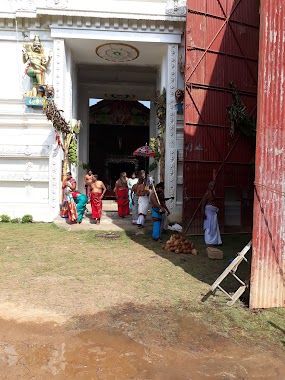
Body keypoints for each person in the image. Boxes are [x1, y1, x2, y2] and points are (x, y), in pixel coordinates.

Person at [201, 180, 222, 245]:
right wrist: (203, 212)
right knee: (209, 226)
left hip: (213, 213)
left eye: (214, 186)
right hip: (208, 212)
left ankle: (214, 241)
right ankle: (208, 241)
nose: (213, 187)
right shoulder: (207, 193)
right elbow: (203, 204)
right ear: (209, 186)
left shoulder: (213, 193)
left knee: (214, 226)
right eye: (211, 186)